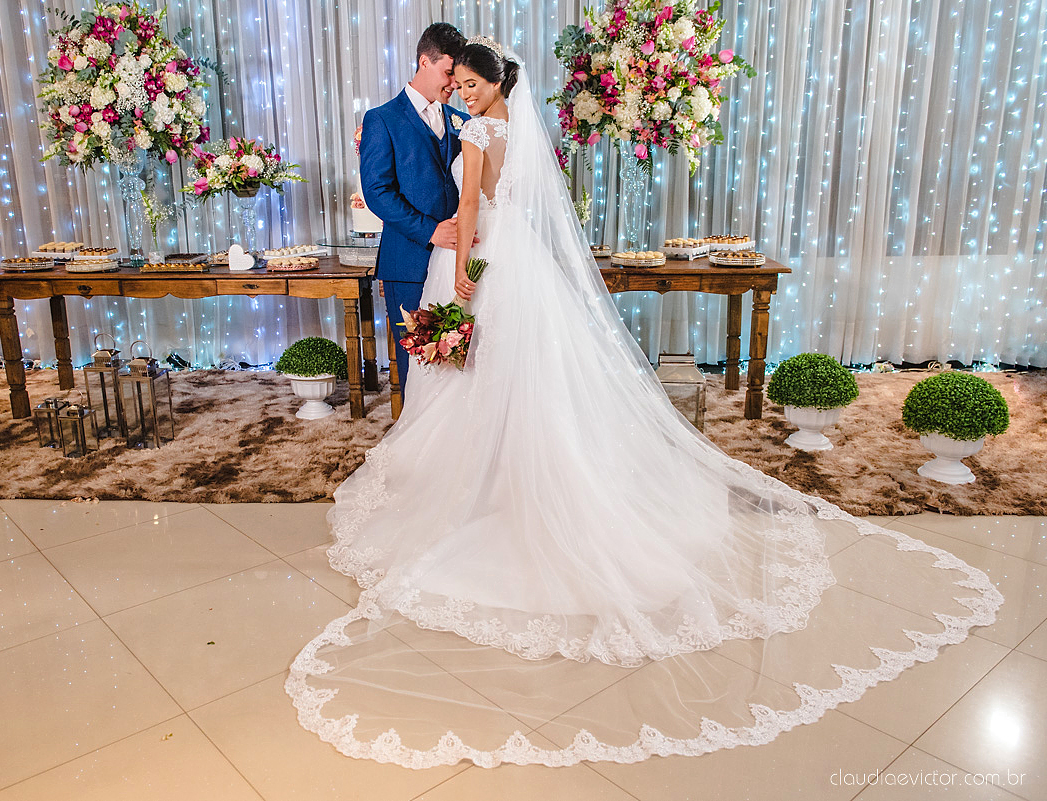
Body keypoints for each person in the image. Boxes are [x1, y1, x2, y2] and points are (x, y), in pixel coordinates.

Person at [288, 38, 1002, 769]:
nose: (460, 92)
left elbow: (469, 205)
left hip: (475, 262)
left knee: (469, 382)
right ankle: (499, 479)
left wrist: (466, 275)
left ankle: (482, 490)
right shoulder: (507, 128)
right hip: (515, 263)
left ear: (491, 81)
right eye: (456, 81)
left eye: (469, 82)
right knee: (504, 382)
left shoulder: (474, 129)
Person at [359, 22, 472, 394]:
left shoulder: (463, 122)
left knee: (460, 361)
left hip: (458, 262)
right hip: (407, 262)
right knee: (417, 363)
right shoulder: (382, 119)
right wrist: (431, 230)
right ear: (425, 61)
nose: (454, 85)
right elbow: (377, 192)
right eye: (448, 73)